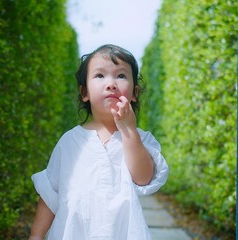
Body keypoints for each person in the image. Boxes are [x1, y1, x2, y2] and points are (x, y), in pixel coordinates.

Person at [28, 44, 169, 240]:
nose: (111, 83)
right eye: (100, 76)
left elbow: (144, 178)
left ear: (134, 93)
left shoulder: (140, 139)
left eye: (120, 76)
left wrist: (128, 131)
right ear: (84, 93)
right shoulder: (69, 142)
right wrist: (36, 235)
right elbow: (50, 195)